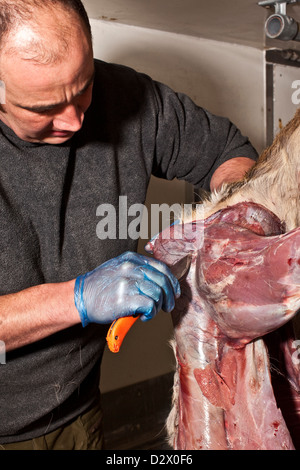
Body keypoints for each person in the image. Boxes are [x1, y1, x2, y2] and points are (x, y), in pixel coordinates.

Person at [0, 0, 258, 450]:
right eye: (43, 107)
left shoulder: (129, 96)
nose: (74, 120)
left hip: (77, 411)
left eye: (83, 88)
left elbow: (228, 152)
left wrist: (225, 229)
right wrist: (76, 298)